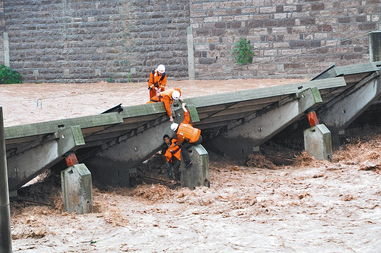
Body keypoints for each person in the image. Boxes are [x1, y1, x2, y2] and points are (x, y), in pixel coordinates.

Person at [170, 103, 202, 168]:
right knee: (187, 140)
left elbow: (180, 142)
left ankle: (188, 163)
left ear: (175, 130)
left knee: (183, 148)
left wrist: (176, 144)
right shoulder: (183, 123)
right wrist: (183, 107)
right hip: (200, 136)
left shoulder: (179, 133)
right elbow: (187, 115)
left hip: (196, 140)